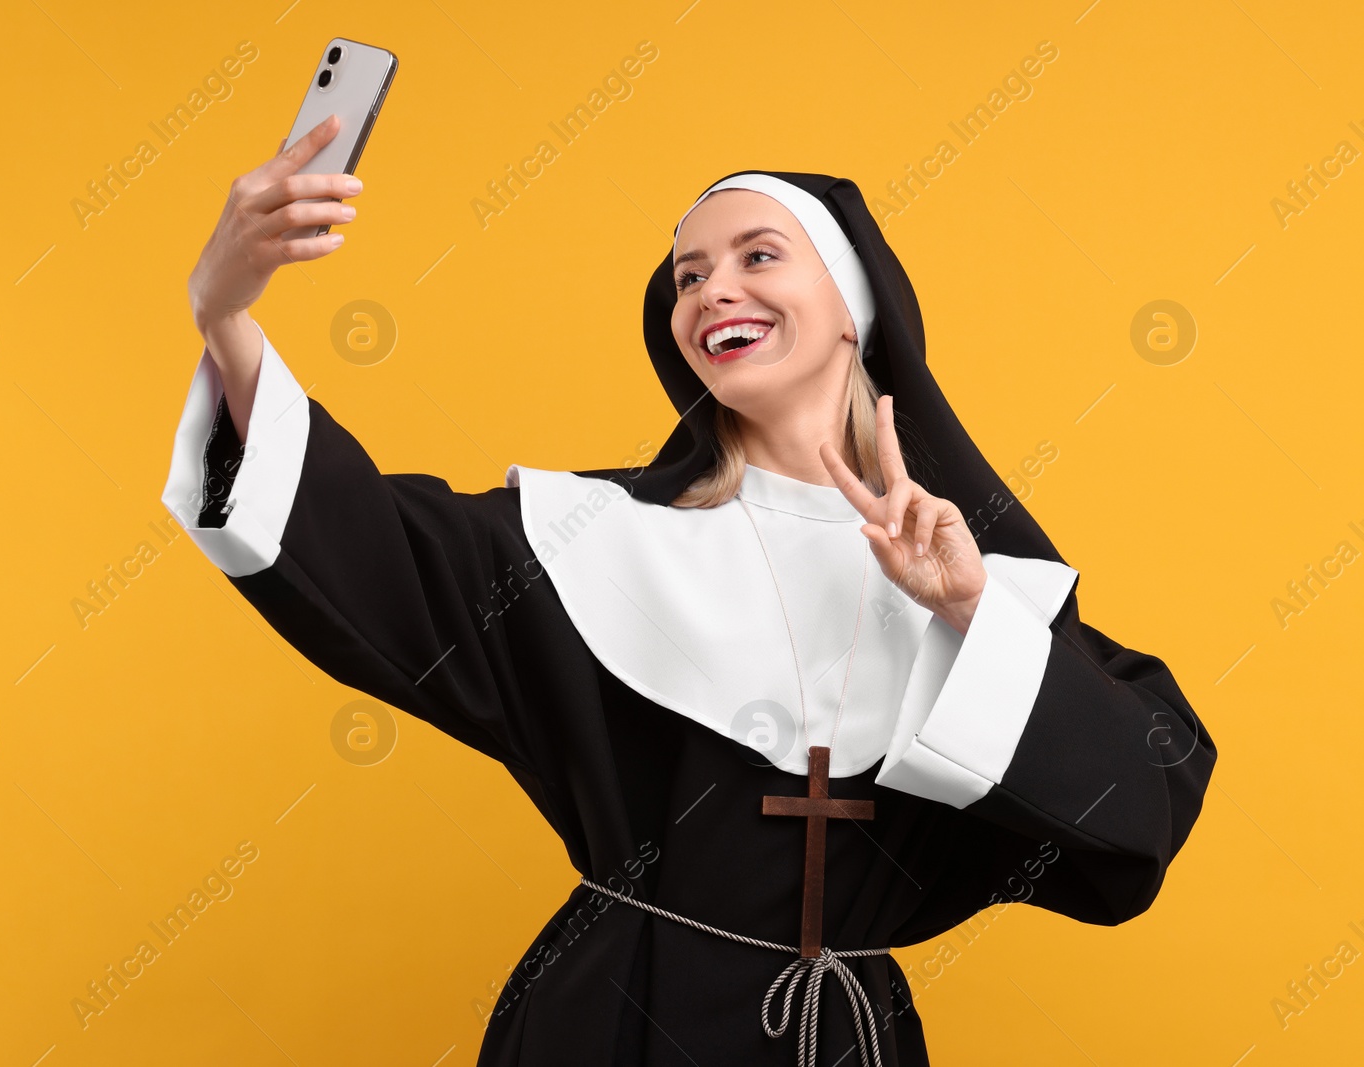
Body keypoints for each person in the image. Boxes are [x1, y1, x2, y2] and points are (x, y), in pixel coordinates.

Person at [161, 115, 1216, 1067]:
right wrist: (226, 313)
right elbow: (367, 540)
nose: (712, 290)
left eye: (758, 256)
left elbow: (1145, 795)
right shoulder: (593, 542)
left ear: (852, 310)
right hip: (610, 1025)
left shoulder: (969, 573)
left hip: (845, 1039)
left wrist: (966, 611)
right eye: (687, 275)